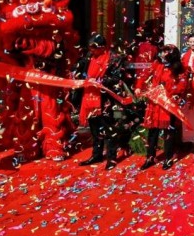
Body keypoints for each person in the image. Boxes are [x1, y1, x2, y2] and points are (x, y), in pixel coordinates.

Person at [75, 34, 130, 170]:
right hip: (90, 97)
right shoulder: (88, 57)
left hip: (107, 100)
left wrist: (100, 81)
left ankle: (111, 158)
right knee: (95, 129)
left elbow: (118, 78)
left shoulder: (114, 58)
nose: (91, 50)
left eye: (94, 47)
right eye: (90, 47)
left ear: (102, 47)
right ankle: (97, 155)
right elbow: (81, 72)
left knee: (110, 129)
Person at [138, 45, 187, 170]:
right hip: (154, 103)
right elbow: (144, 75)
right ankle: (150, 157)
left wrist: (172, 94)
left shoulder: (178, 67)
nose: (163, 53)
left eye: (166, 51)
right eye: (162, 51)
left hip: (167, 103)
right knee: (152, 131)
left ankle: (168, 158)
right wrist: (138, 86)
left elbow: (182, 84)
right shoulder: (156, 64)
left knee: (169, 131)